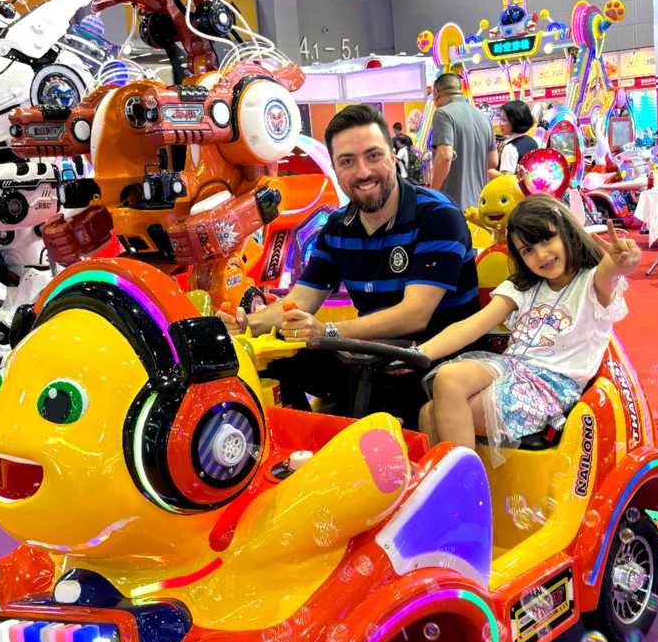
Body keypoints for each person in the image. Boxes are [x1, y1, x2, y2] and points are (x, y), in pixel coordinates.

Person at [221, 103, 479, 426]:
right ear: (335, 168)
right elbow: (298, 303)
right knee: (272, 363)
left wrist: (326, 331)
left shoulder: (437, 215)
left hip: (439, 360)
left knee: (358, 381)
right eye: (347, 161)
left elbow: (415, 314)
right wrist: (246, 323)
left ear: (392, 156)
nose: (363, 172)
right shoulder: (338, 227)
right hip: (372, 359)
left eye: (373, 156)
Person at [416, 195, 638, 452]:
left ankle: (466, 488)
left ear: (566, 231)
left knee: (434, 410)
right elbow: (472, 326)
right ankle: (457, 486)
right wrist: (419, 353)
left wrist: (619, 262)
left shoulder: (590, 284)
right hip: (511, 368)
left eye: (546, 239)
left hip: (551, 387)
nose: (541, 255)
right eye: (527, 250)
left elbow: (607, 273)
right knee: (442, 387)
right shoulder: (522, 287)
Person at [430, 72, 497, 208]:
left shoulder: (443, 113)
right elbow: (493, 162)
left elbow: (445, 155)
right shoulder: (484, 118)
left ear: (436, 92)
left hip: (453, 205)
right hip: (480, 206)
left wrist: (433, 193)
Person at [496, 101, 538, 174]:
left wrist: (490, 170)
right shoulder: (532, 141)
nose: (500, 123)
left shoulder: (510, 148)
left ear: (516, 121)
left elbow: (507, 181)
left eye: (504, 120)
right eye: (500, 119)